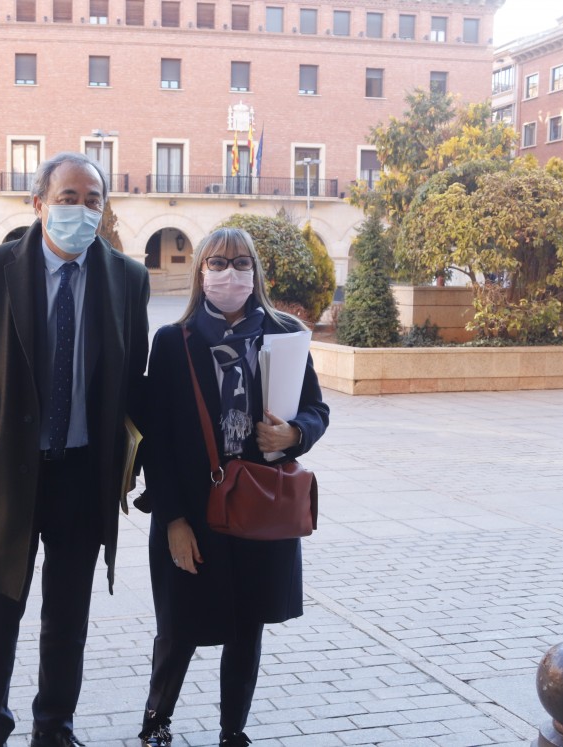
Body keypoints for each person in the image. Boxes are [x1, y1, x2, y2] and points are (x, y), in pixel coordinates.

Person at [0, 152, 150, 746]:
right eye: (68, 198)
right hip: (9, 471)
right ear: (38, 204)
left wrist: (129, 461)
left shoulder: (127, 280)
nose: (80, 211)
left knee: (67, 617)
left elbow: (133, 379)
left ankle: (54, 726)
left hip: (84, 475)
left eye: (93, 201)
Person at [137, 228, 330, 747]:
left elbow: (316, 409)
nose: (230, 272)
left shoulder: (286, 333)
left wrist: (295, 433)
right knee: (179, 627)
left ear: (256, 272)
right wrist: (173, 520)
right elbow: (159, 439)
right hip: (193, 511)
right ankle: (156, 722)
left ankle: (232, 731)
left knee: (247, 628)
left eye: (241, 263)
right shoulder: (174, 342)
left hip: (259, 508)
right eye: (218, 262)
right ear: (202, 271)